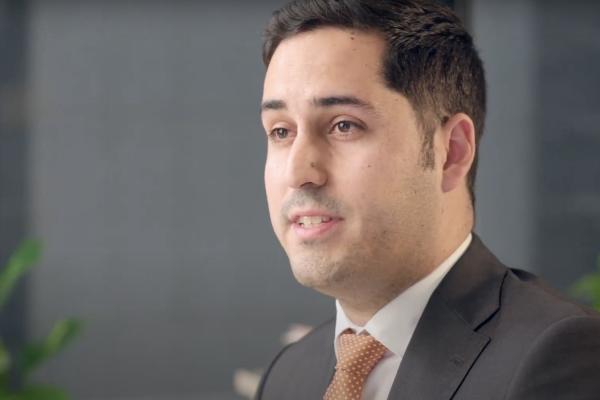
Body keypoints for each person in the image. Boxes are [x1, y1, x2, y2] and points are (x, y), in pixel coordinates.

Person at [256, 1, 600, 399]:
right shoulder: (289, 374)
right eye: (281, 132)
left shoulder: (561, 356)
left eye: (343, 126)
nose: (299, 173)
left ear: (451, 152)